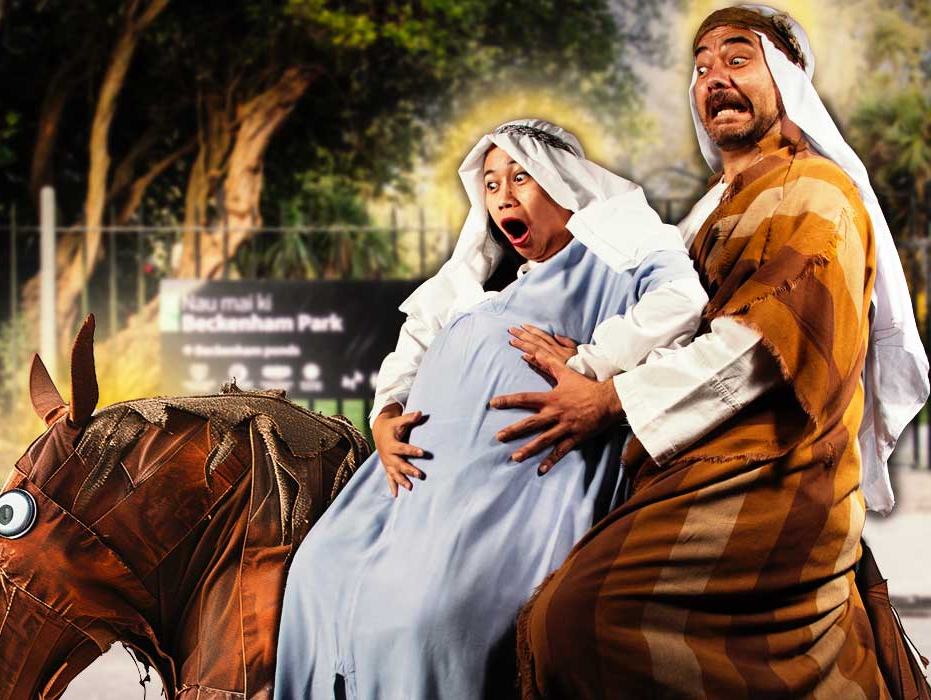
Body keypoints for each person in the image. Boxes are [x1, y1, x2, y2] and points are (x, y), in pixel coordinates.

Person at [509, 7, 930, 699]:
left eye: (738, 59)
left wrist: (605, 399)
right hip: (693, 461)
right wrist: (588, 357)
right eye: (701, 67)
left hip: (776, 471)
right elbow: (671, 323)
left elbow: (755, 347)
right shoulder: (708, 211)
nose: (714, 78)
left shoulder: (816, 192)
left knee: (580, 619)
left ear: (786, 81)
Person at [272, 119, 708, 700]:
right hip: (414, 478)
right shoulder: (488, 282)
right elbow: (416, 337)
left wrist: (592, 362)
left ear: (563, 182)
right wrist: (383, 416)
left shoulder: (615, 258)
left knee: (421, 620)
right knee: (315, 575)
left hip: (513, 486)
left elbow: (681, 300)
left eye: (520, 177)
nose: (503, 195)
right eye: (492, 183)